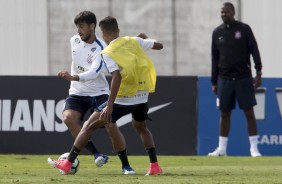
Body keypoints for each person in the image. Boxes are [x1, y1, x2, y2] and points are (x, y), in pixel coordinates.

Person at [48, 16, 163, 176]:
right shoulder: (134, 41)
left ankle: (68, 163)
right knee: (141, 127)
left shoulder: (107, 51)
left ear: (101, 31)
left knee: (89, 126)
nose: (78, 30)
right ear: (118, 30)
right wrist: (143, 39)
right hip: (142, 95)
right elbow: (159, 45)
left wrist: (109, 105)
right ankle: (154, 166)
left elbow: (116, 76)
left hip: (122, 98)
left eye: (81, 26)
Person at [57, 10, 132, 169]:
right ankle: (97, 154)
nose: (79, 30)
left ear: (92, 26)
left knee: (111, 125)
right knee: (68, 118)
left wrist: (73, 77)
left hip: (98, 92)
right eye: (77, 27)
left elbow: (93, 72)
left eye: (82, 26)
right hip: (77, 92)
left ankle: (126, 165)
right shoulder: (74, 40)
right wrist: (74, 80)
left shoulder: (102, 47)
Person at [208, 2, 262, 157]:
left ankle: (254, 149)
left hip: (243, 77)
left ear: (233, 12)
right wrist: (213, 81)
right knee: (224, 113)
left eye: (226, 11)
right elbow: (214, 58)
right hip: (224, 79)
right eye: (222, 12)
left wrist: (258, 72)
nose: (224, 14)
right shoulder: (217, 32)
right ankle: (222, 149)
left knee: (249, 112)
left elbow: (254, 50)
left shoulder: (244, 29)